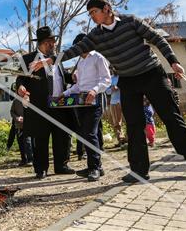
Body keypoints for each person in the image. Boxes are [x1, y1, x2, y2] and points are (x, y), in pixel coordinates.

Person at [31, 0, 186, 183]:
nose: (91, 16)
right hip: (128, 81)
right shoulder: (96, 35)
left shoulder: (130, 21)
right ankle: (139, 170)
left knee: (171, 118)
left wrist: (174, 62)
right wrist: (50, 60)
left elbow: (158, 40)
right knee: (133, 126)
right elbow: (75, 49)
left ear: (107, 9)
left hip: (151, 74)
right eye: (89, 13)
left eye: (94, 12)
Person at [16, 26, 75, 179]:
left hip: (59, 103)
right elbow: (20, 78)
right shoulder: (28, 59)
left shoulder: (56, 59)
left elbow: (62, 76)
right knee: (40, 137)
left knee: (62, 135)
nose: (53, 45)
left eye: (53, 42)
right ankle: (41, 168)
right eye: (50, 42)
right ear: (41, 44)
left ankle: (61, 165)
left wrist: (72, 77)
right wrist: (20, 87)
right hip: (39, 104)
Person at [62, 33, 111, 181]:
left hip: (95, 100)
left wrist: (95, 90)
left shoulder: (98, 57)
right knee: (84, 133)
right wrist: (64, 93)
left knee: (90, 133)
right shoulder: (81, 63)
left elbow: (107, 79)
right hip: (81, 101)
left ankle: (94, 168)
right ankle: (96, 166)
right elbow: (78, 85)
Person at [9, 87, 34, 166]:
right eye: (20, 92)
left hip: (28, 125)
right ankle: (23, 159)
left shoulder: (30, 101)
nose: (22, 93)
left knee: (28, 142)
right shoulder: (16, 101)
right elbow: (12, 111)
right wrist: (16, 118)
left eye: (23, 92)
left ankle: (30, 159)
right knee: (20, 142)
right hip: (19, 125)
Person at [108, 69, 127, 146]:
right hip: (113, 102)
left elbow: (127, 87)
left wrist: (119, 88)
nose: (113, 69)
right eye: (112, 68)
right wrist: (111, 90)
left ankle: (128, 138)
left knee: (128, 120)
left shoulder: (122, 76)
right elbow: (106, 91)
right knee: (116, 122)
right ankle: (120, 140)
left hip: (124, 100)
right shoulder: (110, 78)